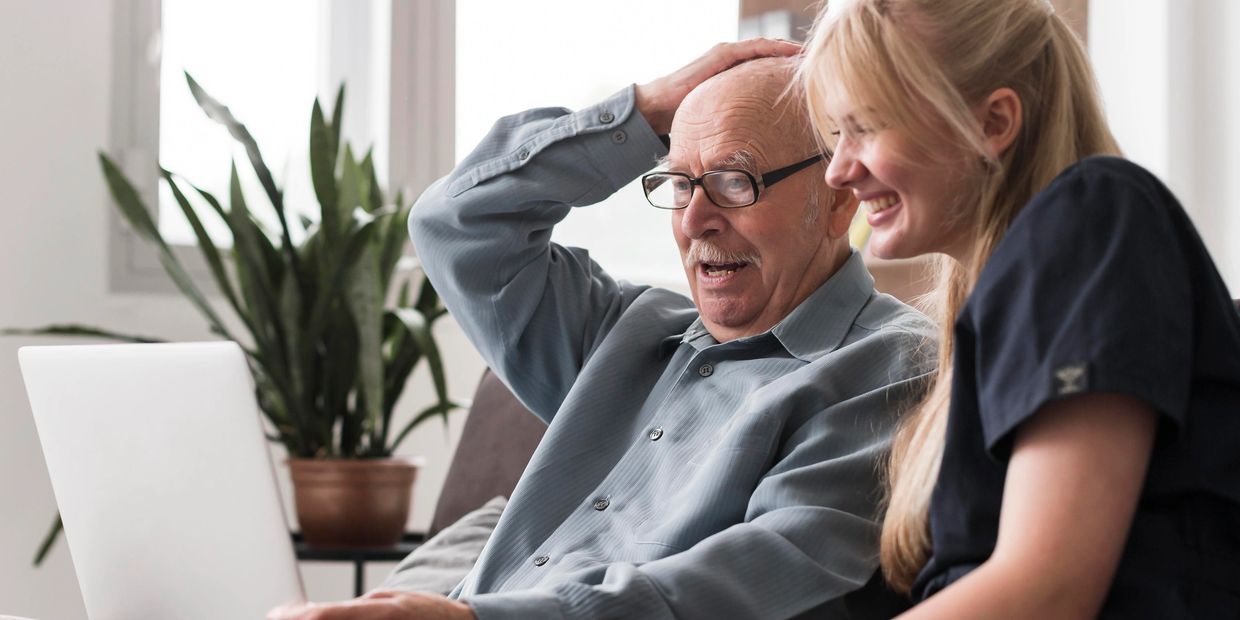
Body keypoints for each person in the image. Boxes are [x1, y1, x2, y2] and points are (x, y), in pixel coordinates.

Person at [270, 41, 936, 620]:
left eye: (734, 181)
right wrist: (646, 112)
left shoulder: (895, 367)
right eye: (679, 182)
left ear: (838, 199)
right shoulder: (627, 333)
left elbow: (752, 580)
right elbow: (457, 224)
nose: (693, 219)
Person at [801, 0, 1240, 618]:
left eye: (865, 127)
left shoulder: (1090, 217)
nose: (839, 172)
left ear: (994, 122)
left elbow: (1047, 589)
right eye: (834, 136)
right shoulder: (1007, 289)